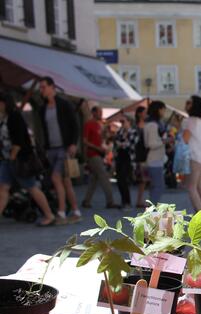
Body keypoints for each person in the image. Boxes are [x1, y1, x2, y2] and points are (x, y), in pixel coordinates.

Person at [0, 93, 55, 226]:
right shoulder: (4, 118)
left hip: (19, 160)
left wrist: (12, 157)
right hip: (7, 159)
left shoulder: (14, 116)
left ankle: (49, 215)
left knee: (31, 187)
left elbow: (19, 141)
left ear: (4, 103)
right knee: (3, 188)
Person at [38, 76, 81, 224]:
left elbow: (75, 125)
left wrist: (73, 144)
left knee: (56, 178)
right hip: (51, 149)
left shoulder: (64, 104)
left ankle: (61, 213)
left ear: (52, 87)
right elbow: (43, 129)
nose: (41, 90)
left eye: (43, 87)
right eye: (40, 87)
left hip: (64, 147)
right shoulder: (43, 108)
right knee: (65, 181)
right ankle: (76, 211)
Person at [81, 106, 116, 209]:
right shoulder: (89, 124)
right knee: (104, 176)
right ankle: (110, 201)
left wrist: (107, 134)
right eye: (99, 112)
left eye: (101, 112)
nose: (101, 114)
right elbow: (85, 141)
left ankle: (86, 201)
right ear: (93, 113)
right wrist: (97, 147)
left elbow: (101, 138)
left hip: (99, 154)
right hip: (93, 154)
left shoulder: (99, 125)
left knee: (94, 179)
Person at [182, 95, 201, 211]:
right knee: (200, 186)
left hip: (194, 157)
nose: (186, 104)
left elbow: (185, 139)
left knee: (191, 187)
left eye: (189, 102)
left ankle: (200, 217)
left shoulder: (189, 120)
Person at [144, 101, 167, 204]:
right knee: (158, 186)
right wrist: (164, 141)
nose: (164, 112)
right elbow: (151, 144)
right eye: (163, 109)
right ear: (158, 110)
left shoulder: (151, 123)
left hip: (155, 160)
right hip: (154, 160)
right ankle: (152, 211)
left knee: (155, 186)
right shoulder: (153, 125)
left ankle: (152, 210)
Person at [114, 117, 138, 209]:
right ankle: (123, 201)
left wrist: (122, 144)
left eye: (123, 121)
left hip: (128, 157)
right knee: (119, 180)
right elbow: (116, 142)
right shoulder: (120, 131)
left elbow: (132, 144)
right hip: (120, 157)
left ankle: (127, 202)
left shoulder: (133, 132)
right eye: (121, 122)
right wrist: (121, 144)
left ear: (129, 122)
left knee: (124, 179)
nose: (122, 124)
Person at [133, 106, 148, 208]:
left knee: (144, 179)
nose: (146, 114)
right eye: (144, 112)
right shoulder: (136, 126)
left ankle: (140, 200)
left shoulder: (146, 125)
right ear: (139, 114)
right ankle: (139, 201)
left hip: (146, 154)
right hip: (139, 154)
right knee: (142, 179)